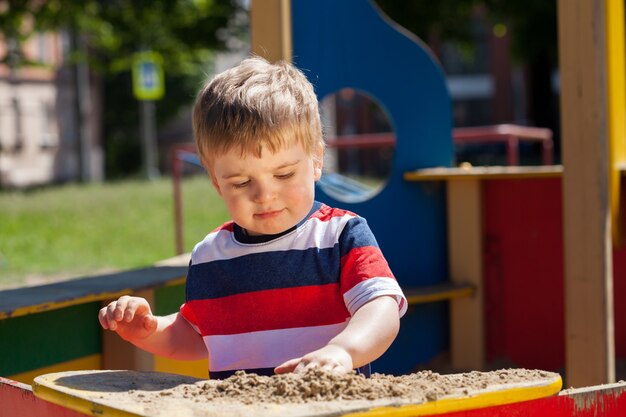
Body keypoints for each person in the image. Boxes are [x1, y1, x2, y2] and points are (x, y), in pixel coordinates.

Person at [99, 56, 407, 379]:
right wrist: (149, 330)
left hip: (331, 407)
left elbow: (381, 309)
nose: (264, 195)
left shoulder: (341, 236)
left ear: (316, 160)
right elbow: (198, 336)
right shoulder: (210, 256)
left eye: (284, 174)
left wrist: (344, 350)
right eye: (242, 182)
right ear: (217, 182)